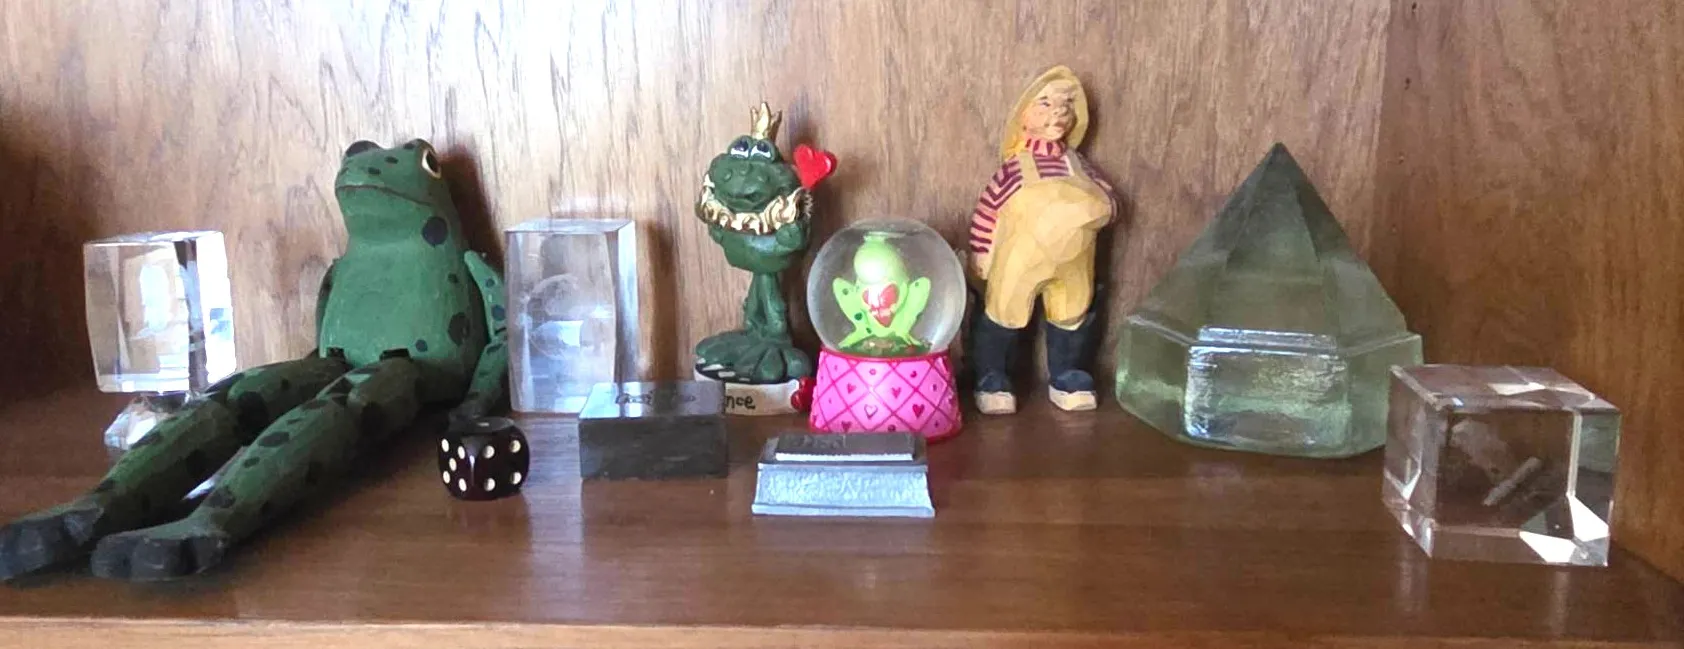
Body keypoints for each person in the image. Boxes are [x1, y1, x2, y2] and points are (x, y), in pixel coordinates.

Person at [967, 65, 1115, 414]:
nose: (1058, 112)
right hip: (1021, 260)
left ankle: (1068, 376)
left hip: (1074, 262)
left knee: (1072, 316)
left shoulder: (1078, 165)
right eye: (1046, 103)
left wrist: (1103, 206)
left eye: (1067, 104)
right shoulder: (1015, 168)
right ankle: (993, 377)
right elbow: (988, 210)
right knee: (1004, 314)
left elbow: (1110, 201)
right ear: (1024, 116)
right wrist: (981, 252)